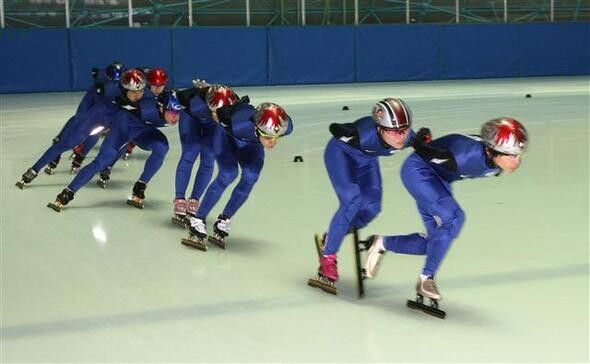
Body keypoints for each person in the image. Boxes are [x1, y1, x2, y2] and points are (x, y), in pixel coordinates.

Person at [363, 117, 528, 303]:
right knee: (455, 218)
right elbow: (426, 151)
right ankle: (426, 279)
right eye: (512, 155)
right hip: (418, 172)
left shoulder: (494, 159)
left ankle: (381, 244)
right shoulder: (464, 156)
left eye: (519, 154)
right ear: (492, 151)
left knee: (435, 244)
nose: (517, 160)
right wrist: (420, 141)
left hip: (439, 180)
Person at [308, 98, 432, 295]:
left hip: (366, 162)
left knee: (372, 207)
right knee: (352, 199)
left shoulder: (407, 137)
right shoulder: (363, 135)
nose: (401, 136)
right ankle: (328, 256)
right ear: (380, 128)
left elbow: (422, 146)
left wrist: (427, 145)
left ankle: (332, 236)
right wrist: (342, 131)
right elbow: (341, 130)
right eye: (394, 131)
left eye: (404, 129)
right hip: (340, 154)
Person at [47, 70, 179, 211]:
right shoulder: (141, 100)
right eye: (172, 113)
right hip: (124, 129)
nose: (176, 117)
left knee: (162, 147)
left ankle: (140, 185)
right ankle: (67, 193)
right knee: (102, 161)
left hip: (143, 132)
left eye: (178, 113)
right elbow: (111, 97)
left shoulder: (172, 100)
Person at [183, 100, 293, 249]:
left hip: (251, 145)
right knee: (228, 173)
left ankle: (224, 219)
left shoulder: (285, 126)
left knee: (251, 175)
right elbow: (217, 116)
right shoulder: (239, 123)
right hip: (226, 139)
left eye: (277, 138)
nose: (273, 143)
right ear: (256, 128)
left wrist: (267, 137)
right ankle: (198, 219)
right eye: (268, 138)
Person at [16, 61, 125, 187]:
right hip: (94, 104)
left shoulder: (129, 88)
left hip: (106, 112)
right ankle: (37, 166)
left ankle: (85, 157)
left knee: (105, 135)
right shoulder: (102, 82)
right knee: (78, 124)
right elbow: (84, 113)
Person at [172, 83, 238, 226]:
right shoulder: (191, 99)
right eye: (214, 113)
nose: (217, 116)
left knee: (209, 156)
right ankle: (179, 198)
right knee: (190, 151)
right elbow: (170, 99)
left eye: (220, 114)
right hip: (191, 119)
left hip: (213, 128)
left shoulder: (232, 104)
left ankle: (195, 199)